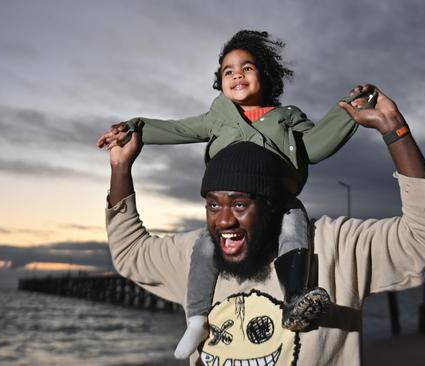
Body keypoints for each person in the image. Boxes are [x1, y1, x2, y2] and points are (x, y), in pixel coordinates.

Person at [102, 85, 425, 365]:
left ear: (271, 206)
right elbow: (131, 253)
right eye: (213, 204)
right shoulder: (196, 256)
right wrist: (120, 167)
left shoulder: (333, 248)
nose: (224, 219)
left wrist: (396, 131)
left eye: (240, 204)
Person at [96, 30, 375, 359]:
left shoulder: (287, 119)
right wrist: (132, 127)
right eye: (228, 71)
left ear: (265, 75)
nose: (237, 75)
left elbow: (314, 148)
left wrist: (347, 111)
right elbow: (177, 129)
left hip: (276, 202)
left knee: (295, 229)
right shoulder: (218, 116)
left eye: (247, 67)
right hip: (233, 208)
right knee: (204, 247)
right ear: (220, 81)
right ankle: (197, 319)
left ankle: (295, 300)